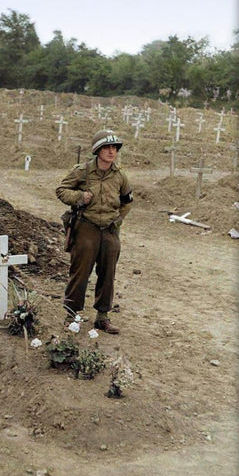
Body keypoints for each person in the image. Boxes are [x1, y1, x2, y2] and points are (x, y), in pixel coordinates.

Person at [56, 129, 134, 334]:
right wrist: (80, 197)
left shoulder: (120, 176)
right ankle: (71, 313)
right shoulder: (82, 171)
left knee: (108, 273)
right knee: (80, 272)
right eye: (106, 148)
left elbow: (127, 201)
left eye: (114, 148)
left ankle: (102, 316)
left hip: (109, 229)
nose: (111, 152)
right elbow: (61, 190)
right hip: (86, 227)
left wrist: (118, 220)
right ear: (97, 150)